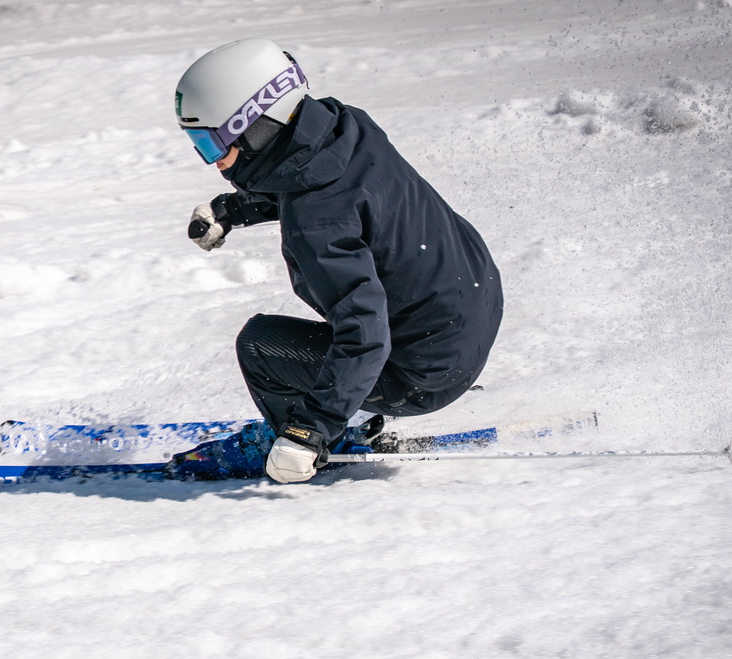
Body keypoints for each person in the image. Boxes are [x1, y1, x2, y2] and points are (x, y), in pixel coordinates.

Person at [174, 38, 504, 483]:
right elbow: (319, 187)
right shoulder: (344, 129)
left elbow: (364, 336)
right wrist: (233, 210)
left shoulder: (316, 221)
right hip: (467, 318)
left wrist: (310, 431)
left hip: (421, 375)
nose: (211, 162)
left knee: (259, 345)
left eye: (212, 144)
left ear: (254, 127)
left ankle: (305, 437)